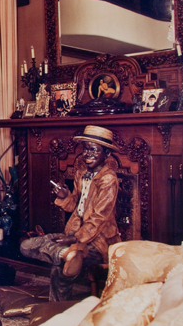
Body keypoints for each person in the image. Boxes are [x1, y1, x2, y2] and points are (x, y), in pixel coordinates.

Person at [20, 125, 121, 301]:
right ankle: (66, 254)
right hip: (74, 234)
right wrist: (65, 197)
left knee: (60, 269)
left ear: (107, 154)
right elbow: (75, 205)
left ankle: (56, 309)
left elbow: (99, 218)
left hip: (98, 241)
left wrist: (75, 239)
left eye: (94, 150)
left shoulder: (108, 179)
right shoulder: (81, 173)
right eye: (86, 149)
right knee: (26, 246)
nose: (88, 154)